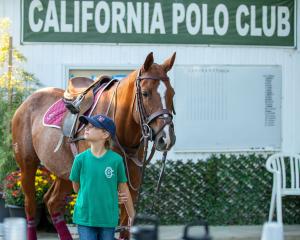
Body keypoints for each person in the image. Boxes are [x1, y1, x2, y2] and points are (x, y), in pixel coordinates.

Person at [69, 114, 135, 240]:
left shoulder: (116, 160)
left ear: (105, 134)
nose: (86, 128)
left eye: (92, 126)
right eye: (87, 125)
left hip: (108, 219)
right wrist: (107, 194)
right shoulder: (80, 160)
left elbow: (124, 188)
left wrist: (132, 216)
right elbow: (77, 188)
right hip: (85, 218)